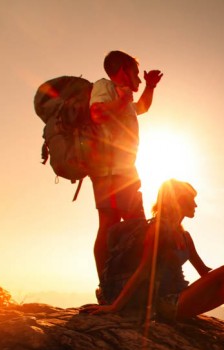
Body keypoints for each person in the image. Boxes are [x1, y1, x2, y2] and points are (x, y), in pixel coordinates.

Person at [88, 179, 224, 350]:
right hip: (166, 304)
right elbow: (143, 271)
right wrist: (115, 307)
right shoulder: (157, 231)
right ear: (176, 201)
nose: (195, 204)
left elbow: (204, 271)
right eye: (190, 199)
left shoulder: (184, 236)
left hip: (182, 298)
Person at [89, 50, 163, 297]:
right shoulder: (104, 86)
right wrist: (121, 99)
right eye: (136, 74)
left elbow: (142, 107)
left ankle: (131, 285)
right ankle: (108, 288)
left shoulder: (124, 96)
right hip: (109, 172)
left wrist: (150, 87)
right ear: (122, 70)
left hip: (126, 172)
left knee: (136, 227)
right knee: (110, 226)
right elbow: (97, 114)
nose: (139, 79)